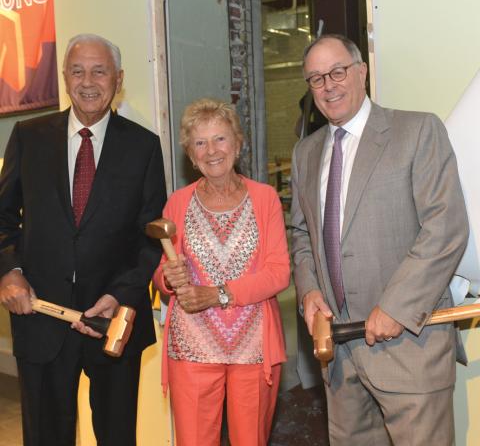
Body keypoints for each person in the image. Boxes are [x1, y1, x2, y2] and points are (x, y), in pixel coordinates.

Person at [291, 33, 469, 445]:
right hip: (338, 358)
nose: (328, 85)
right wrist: (309, 290)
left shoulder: (417, 130)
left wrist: (395, 306)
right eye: (316, 79)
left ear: (362, 72)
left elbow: (445, 228)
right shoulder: (306, 153)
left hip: (410, 348)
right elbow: (301, 233)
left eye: (337, 72)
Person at [0, 33, 166, 446]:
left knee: (116, 436)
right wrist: (10, 271)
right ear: (64, 77)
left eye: (99, 70)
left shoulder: (144, 146)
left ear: (119, 79)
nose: (87, 81)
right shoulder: (28, 135)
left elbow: (149, 236)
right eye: (77, 71)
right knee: (45, 437)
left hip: (112, 322)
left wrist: (122, 293)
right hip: (40, 318)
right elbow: (2, 217)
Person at [153, 98, 290, 446]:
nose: (211, 151)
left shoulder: (265, 198)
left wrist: (217, 294)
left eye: (220, 139)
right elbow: (161, 275)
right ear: (190, 153)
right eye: (200, 142)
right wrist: (169, 278)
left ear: (238, 144)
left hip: (253, 349)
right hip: (192, 348)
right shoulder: (178, 203)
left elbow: (278, 273)